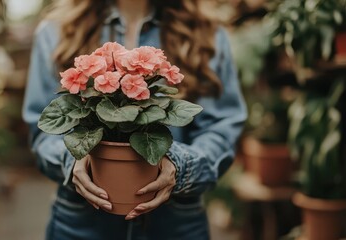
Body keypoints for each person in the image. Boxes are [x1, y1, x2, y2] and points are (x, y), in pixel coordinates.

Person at [22, 0, 247, 239]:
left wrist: (180, 166)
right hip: (81, 226)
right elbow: (44, 131)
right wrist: (73, 160)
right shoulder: (56, 30)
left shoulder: (207, 32)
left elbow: (221, 131)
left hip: (176, 226)